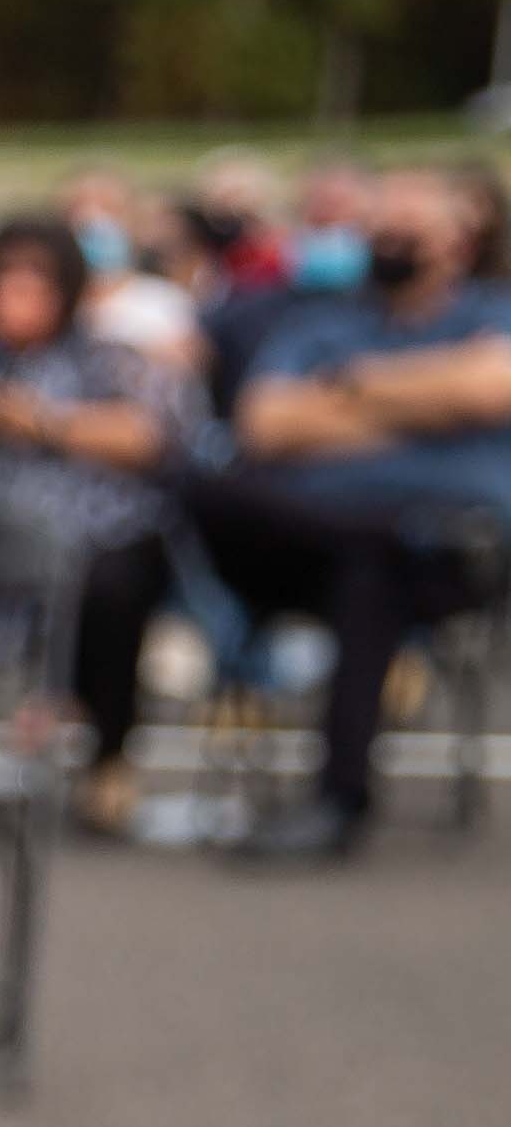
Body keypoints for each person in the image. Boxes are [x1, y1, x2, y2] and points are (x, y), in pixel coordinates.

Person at [163, 163, 511, 867]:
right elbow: (265, 424)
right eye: (381, 231)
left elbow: (490, 390)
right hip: (318, 539)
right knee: (197, 479)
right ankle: (333, 800)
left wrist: (349, 389)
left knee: (374, 567)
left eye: (409, 232)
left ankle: (336, 803)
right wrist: (429, 410)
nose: (391, 243)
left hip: (448, 556)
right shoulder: (325, 321)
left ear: (458, 242)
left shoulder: (491, 313)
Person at [0, 216, 201, 833]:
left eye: (35, 281)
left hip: (93, 537)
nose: (15, 297)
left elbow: (153, 435)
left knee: (117, 578)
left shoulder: (108, 358)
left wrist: (43, 422)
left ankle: (108, 760)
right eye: (4, 280)